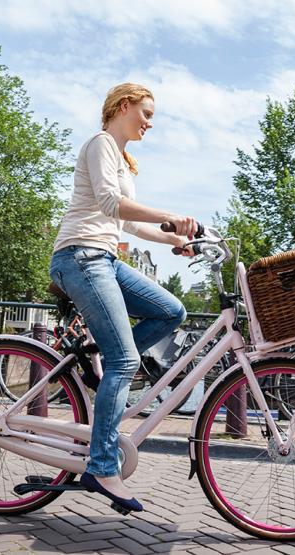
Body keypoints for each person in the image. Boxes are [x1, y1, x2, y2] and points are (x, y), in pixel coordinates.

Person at [49, 82, 197, 513]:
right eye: (146, 113)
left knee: (172, 310)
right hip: (79, 256)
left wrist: (175, 240)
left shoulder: (123, 159)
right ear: (124, 106)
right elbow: (111, 205)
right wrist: (170, 216)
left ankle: (105, 348)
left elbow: (129, 226)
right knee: (125, 362)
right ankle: (101, 465)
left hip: (105, 258)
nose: (150, 123)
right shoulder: (100, 144)